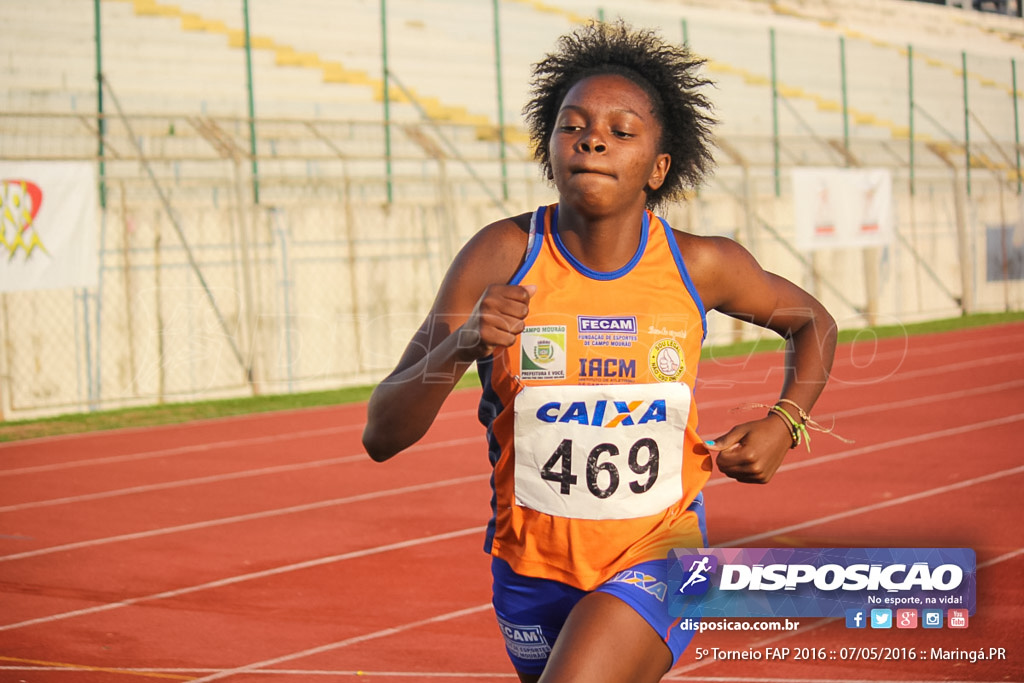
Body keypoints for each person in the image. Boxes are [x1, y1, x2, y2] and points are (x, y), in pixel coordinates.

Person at [362, 20, 836, 683]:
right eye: (573, 124)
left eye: (621, 131)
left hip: (658, 555)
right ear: (549, 147)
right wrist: (464, 341)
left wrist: (786, 422)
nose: (592, 138)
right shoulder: (499, 256)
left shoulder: (700, 265)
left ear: (659, 166)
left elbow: (813, 321)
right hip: (530, 572)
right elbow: (382, 432)